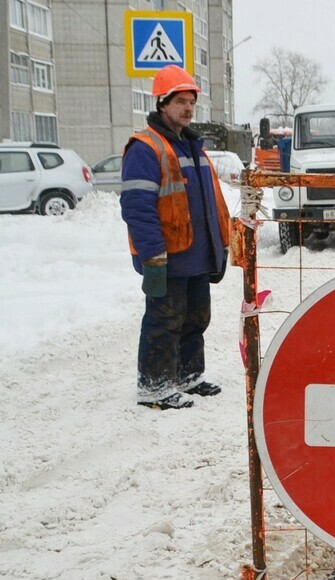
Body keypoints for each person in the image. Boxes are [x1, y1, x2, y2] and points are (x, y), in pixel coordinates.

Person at [120, 65, 231, 410]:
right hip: (167, 256)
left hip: (196, 255)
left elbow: (206, 204)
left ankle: (188, 377)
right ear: (162, 103)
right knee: (164, 320)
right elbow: (137, 208)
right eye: (181, 101)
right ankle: (154, 388)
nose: (187, 108)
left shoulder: (192, 147)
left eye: (191, 103)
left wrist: (218, 247)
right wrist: (152, 257)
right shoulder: (146, 148)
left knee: (196, 319)